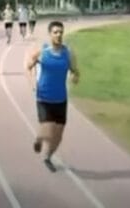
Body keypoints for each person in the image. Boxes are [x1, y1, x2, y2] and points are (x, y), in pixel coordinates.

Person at [25, 20, 79, 171]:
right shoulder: (43, 52)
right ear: (50, 34)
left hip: (61, 99)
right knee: (48, 130)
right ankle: (39, 139)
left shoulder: (68, 53)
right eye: (55, 32)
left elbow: (75, 71)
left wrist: (75, 77)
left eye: (61, 32)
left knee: (58, 136)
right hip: (44, 97)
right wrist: (32, 83)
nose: (59, 35)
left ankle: (47, 157)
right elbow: (28, 67)